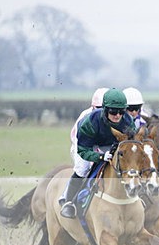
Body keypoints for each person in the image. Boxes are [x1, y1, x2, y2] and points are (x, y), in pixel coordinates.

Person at [58, 88, 137, 219]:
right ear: (105, 110)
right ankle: (69, 201)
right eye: (113, 111)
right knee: (83, 169)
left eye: (121, 111)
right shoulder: (90, 122)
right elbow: (83, 150)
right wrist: (100, 156)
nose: (117, 115)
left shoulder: (128, 121)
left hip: (112, 145)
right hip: (87, 145)